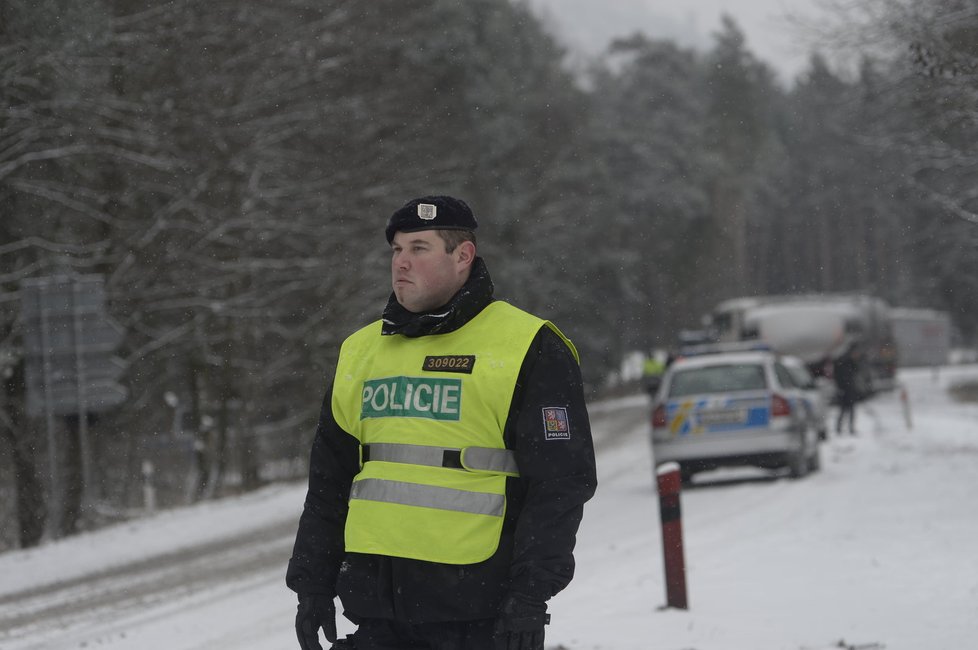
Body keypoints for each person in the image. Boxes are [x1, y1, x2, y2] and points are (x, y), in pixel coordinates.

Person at [287, 196, 597, 650]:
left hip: (478, 614)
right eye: (396, 250)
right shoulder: (361, 351)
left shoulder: (529, 346)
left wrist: (530, 595)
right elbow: (330, 480)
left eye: (419, 248)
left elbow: (560, 484)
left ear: (462, 257)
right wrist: (312, 585)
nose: (402, 263)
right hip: (377, 610)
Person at [833, 342, 863, 435]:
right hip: (846, 389)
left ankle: (843, 428)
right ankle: (845, 428)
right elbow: (845, 375)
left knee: (845, 410)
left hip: (846, 389)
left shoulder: (845, 360)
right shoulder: (846, 361)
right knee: (846, 410)